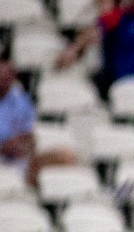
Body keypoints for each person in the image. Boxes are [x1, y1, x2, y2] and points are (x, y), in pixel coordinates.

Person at [0, 51, 79, 188]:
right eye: (3, 76)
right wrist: (3, 147)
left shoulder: (20, 99)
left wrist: (23, 145)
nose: (8, 79)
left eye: (10, 75)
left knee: (66, 156)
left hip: (21, 159)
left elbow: (30, 135)